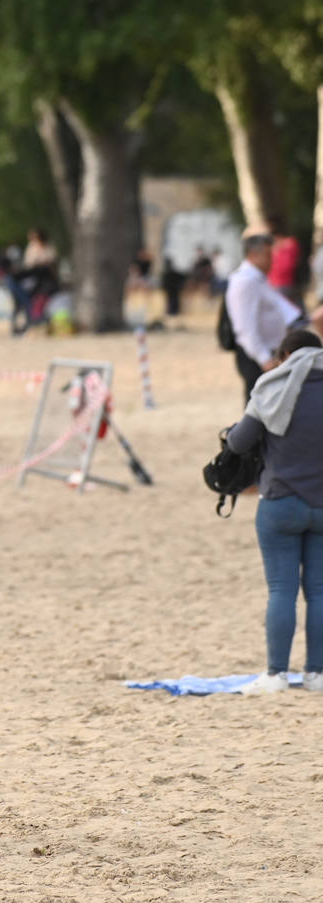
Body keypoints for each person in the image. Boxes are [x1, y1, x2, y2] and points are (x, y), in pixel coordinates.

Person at [226, 330, 323, 694]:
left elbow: (238, 442)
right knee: (320, 592)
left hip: (281, 502)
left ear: (285, 355)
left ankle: (276, 674)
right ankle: (317, 674)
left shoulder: (274, 384)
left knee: (282, 589)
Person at [226, 232, 302, 405]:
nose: (272, 260)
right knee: (258, 409)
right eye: (268, 255)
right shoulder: (244, 281)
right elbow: (245, 327)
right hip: (257, 356)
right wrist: (264, 358)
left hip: (270, 352)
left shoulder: (258, 279)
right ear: (253, 255)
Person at [267, 217, 301, 303]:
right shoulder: (271, 247)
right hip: (275, 286)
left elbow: (288, 265)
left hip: (285, 285)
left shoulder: (289, 243)